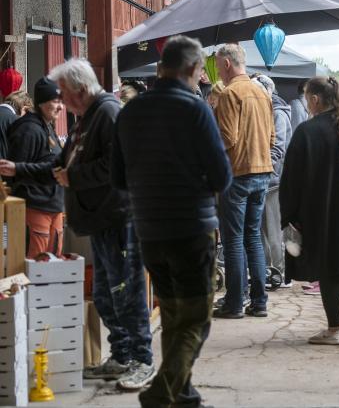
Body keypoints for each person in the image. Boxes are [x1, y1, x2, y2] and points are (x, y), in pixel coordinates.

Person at [112, 35, 232, 407]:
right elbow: (221, 177)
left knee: (173, 312)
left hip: (149, 228)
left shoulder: (130, 111)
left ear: (161, 67)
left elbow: (117, 178)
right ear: (194, 69)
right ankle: (163, 392)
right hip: (191, 228)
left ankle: (182, 390)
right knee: (195, 317)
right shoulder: (194, 109)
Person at [47, 59, 155, 390]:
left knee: (127, 290)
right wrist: (23, 169)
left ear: (80, 91)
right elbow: (66, 161)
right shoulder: (86, 118)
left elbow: (114, 164)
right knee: (108, 294)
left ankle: (142, 360)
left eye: (63, 93)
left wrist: (73, 177)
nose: (61, 100)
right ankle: (121, 355)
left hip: (118, 217)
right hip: (102, 219)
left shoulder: (107, 114)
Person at [280, 76, 339, 345]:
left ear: (314, 99)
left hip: (321, 214)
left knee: (330, 269)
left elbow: (291, 180)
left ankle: (335, 330)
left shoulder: (307, 131)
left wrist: (290, 217)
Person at [213, 43, 275, 319]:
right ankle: (259, 301)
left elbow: (228, 138)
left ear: (226, 64)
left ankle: (235, 302)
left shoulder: (230, 94)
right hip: (262, 171)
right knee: (252, 237)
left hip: (237, 173)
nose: (215, 69)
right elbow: (272, 138)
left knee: (234, 240)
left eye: (216, 64)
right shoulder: (262, 93)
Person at [0, 78, 64, 258]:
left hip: (53, 206)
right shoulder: (28, 129)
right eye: (56, 101)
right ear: (42, 103)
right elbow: (14, 174)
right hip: (35, 209)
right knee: (35, 265)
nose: (61, 106)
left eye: (62, 101)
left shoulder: (47, 127)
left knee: (52, 265)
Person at [252, 74, 293, 289]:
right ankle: (269, 270)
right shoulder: (267, 109)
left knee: (274, 230)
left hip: (273, 180)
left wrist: (260, 167)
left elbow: (279, 148)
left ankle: (281, 272)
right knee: (262, 232)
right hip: (264, 179)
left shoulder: (278, 112)